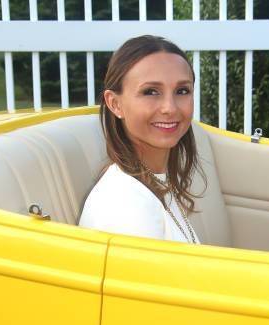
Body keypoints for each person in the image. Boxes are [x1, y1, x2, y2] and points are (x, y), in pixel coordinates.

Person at [79, 35, 204, 244]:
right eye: (150, 92)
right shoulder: (124, 206)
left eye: (182, 91)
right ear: (115, 103)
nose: (170, 108)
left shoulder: (155, 181)